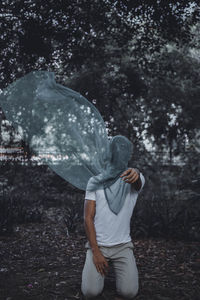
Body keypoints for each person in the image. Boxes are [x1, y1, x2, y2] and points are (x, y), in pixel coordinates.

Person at [81, 167, 145, 299]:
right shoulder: (94, 181)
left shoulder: (133, 178)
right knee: (90, 292)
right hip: (98, 246)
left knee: (129, 293)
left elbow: (137, 182)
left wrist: (136, 172)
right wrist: (96, 252)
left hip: (123, 246)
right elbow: (88, 218)